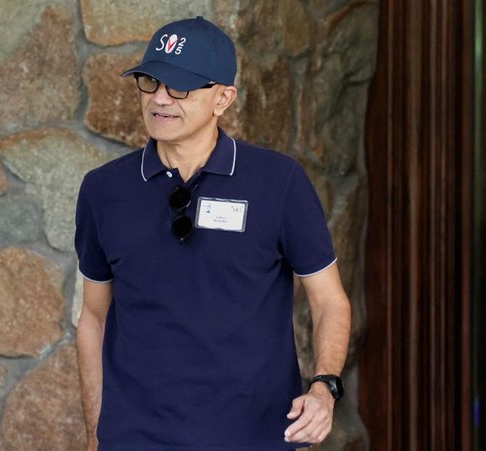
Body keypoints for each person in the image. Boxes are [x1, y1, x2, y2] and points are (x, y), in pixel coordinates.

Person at [74, 16, 352, 451]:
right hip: (136, 440)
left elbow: (329, 300)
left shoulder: (278, 183)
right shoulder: (103, 190)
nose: (160, 99)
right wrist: (96, 434)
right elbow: (94, 317)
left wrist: (324, 387)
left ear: (223, 98)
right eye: (150, 81)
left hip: (253, 438)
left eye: (180, 87)